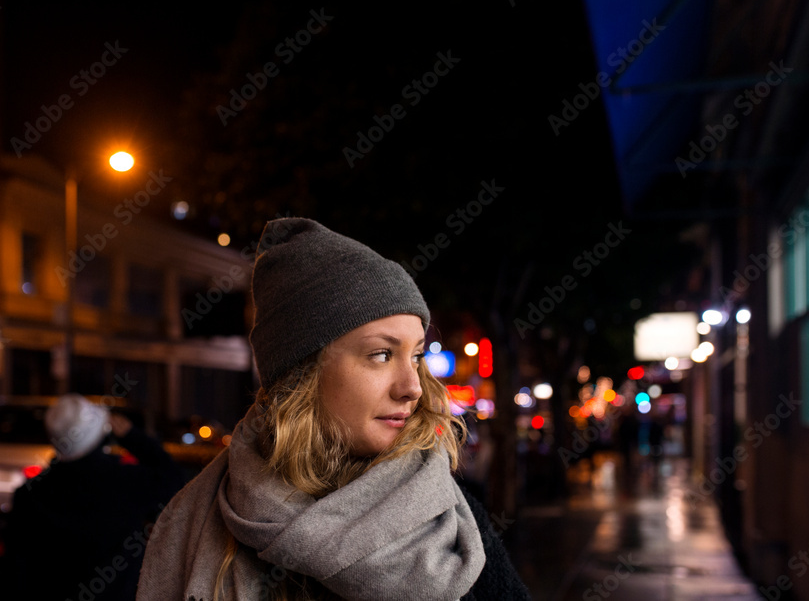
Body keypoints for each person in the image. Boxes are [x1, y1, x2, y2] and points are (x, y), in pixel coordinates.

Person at [137, 218, 530, 600]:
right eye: (381, 354)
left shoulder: (452, 522)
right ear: (302, 372)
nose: (413, 388)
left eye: (415, 356)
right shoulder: (191, 523)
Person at [0, 393, 183, 600]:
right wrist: (133, 437)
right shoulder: (127, 483)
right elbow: (174, 479)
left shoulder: (29, 496)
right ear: (100, 436)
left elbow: (15, 573)